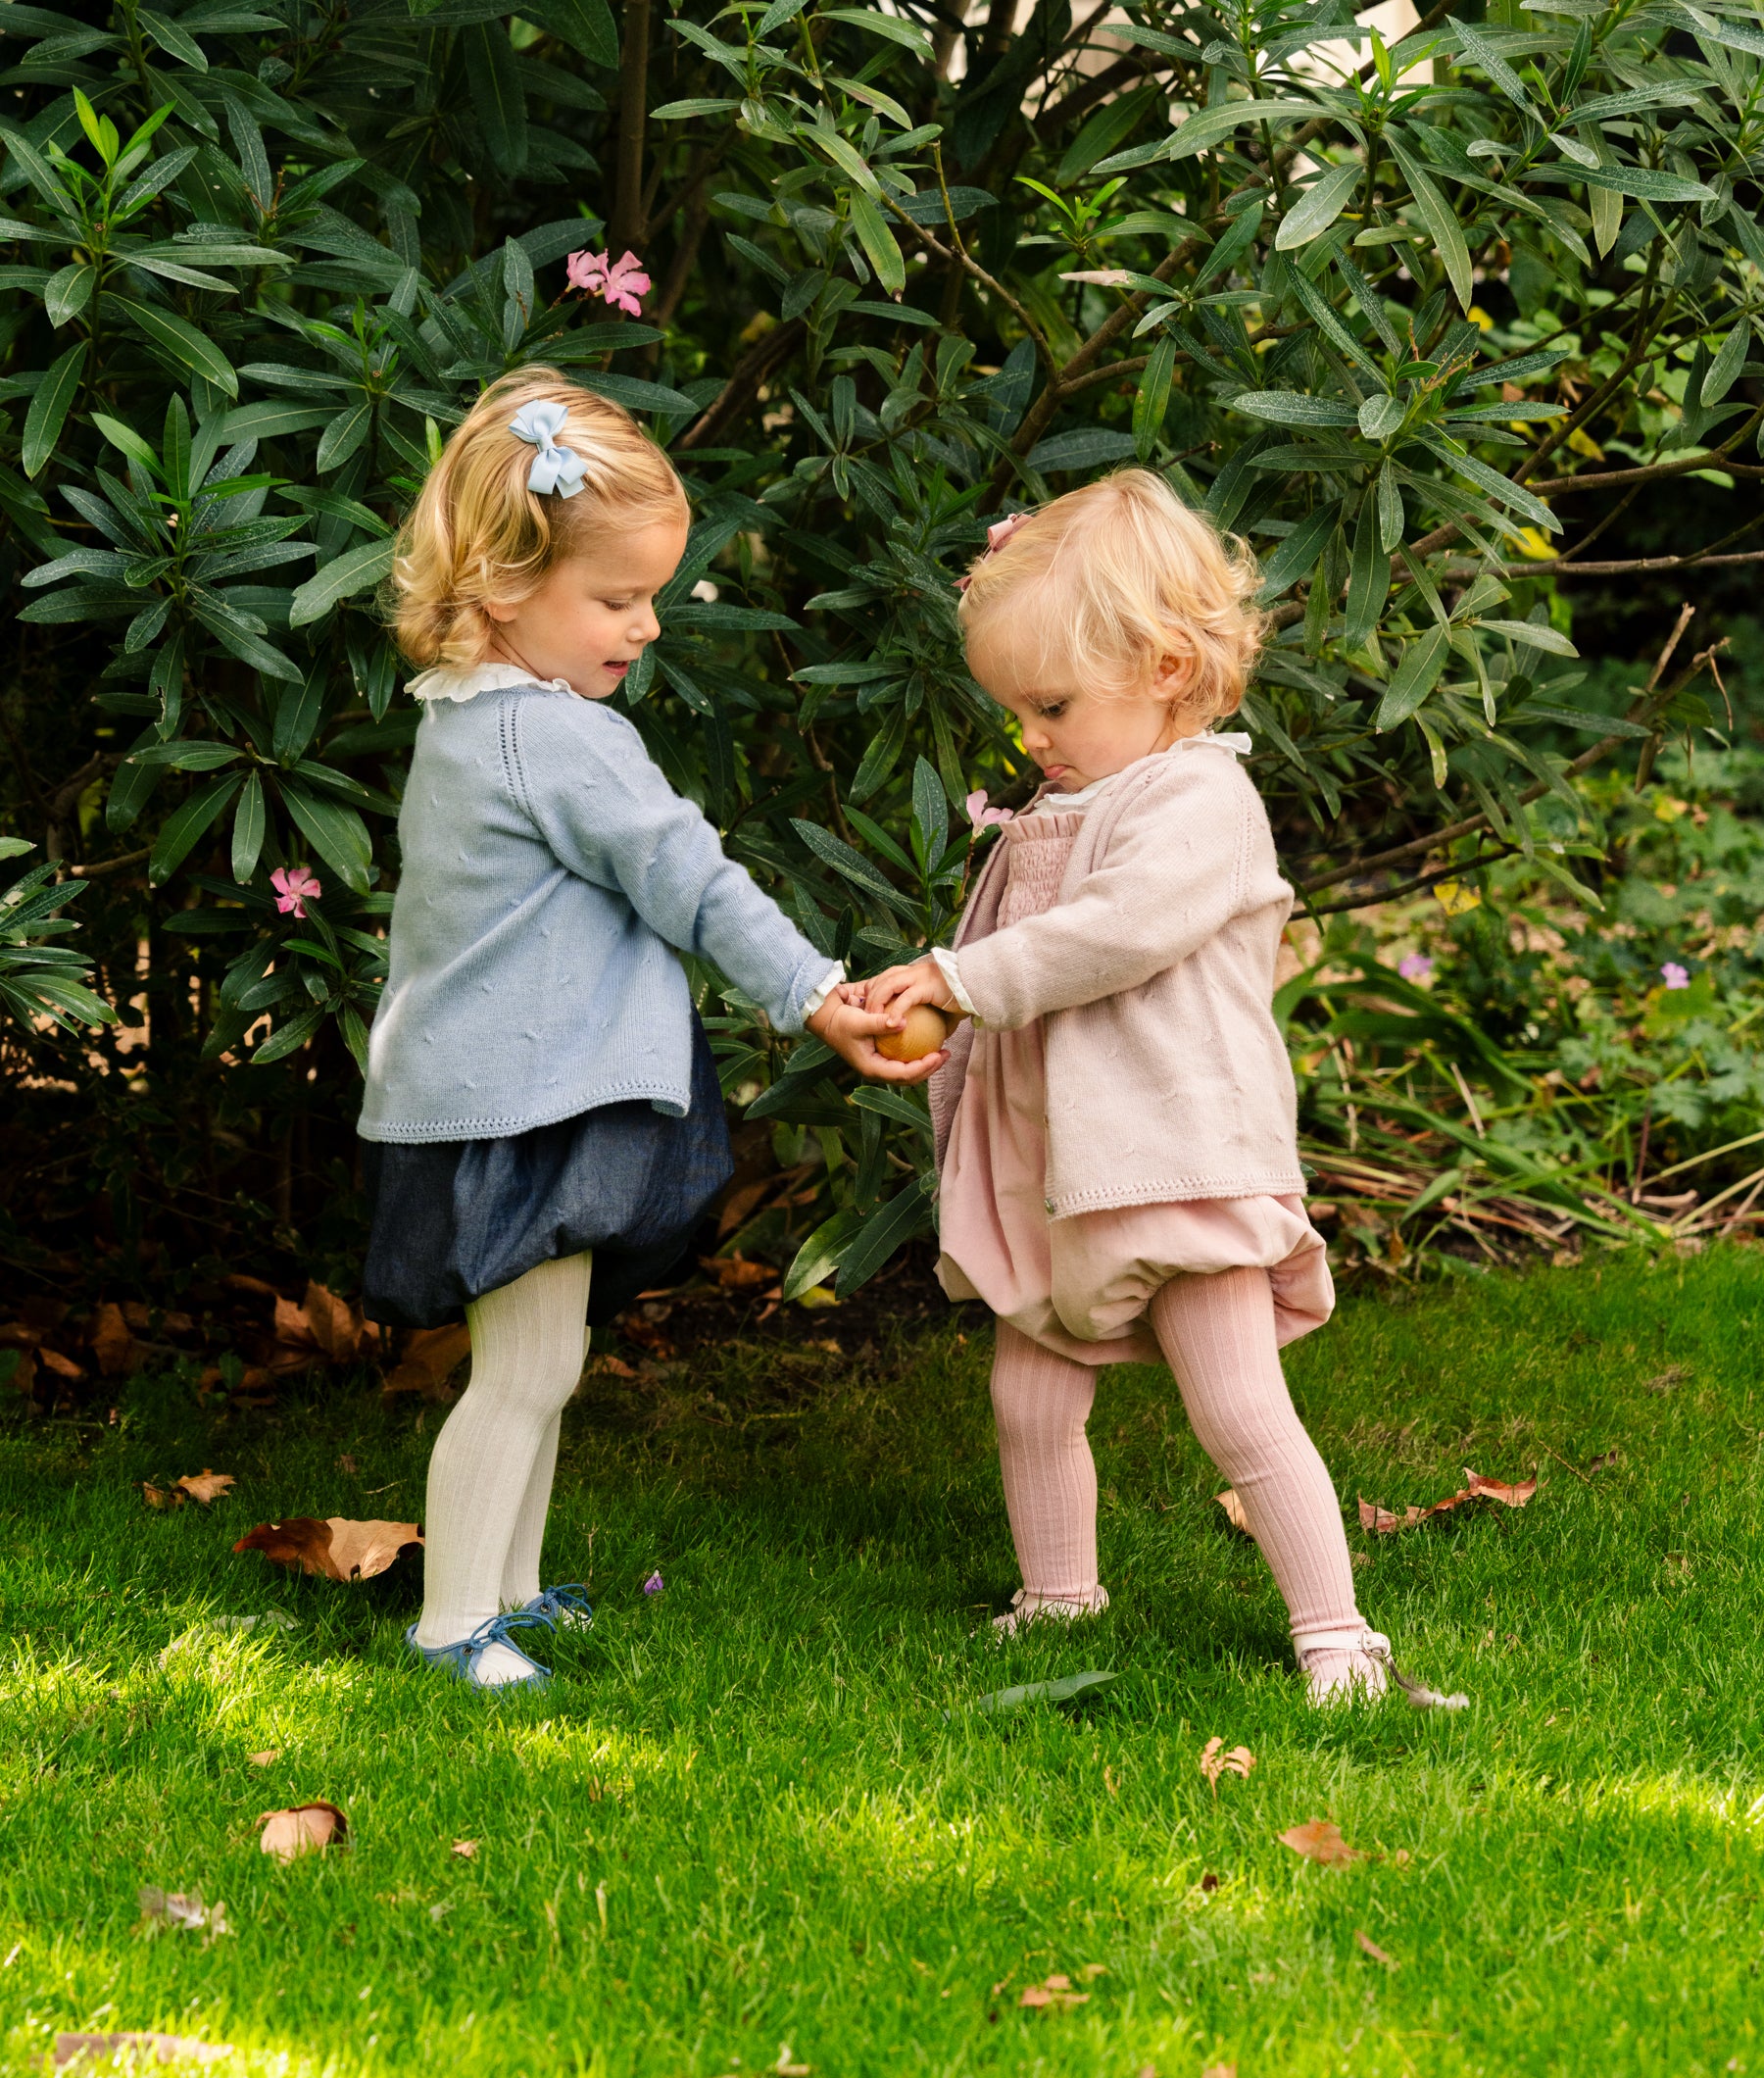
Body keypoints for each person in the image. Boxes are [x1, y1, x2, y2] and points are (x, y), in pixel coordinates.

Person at [359, 368, 939, 1692]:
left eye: (650, 595)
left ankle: (507, 1591)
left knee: (538, 1363)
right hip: (529, 1102)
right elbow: (691, 877)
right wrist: (812, 991)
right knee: (521, 1372)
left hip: (492, 1092)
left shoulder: (465, 721)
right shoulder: (559, 742)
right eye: (615, 599)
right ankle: (455, 1625)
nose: (647, 626)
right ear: (507, 586)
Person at [863, 472, 1396, 1704]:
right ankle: (1058, 1595)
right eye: (1019, 712)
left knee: (1239, 1408)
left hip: (1174, 1155)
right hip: (1065, 1170)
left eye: (1050, 706)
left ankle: (1336, 1632)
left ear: (1163, 667)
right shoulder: (1068, 800)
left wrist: (955, 978)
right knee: (1028, 1396)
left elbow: (1116, 933)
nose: (1031, 739)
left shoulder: (1202, 797)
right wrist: (932, 1001)